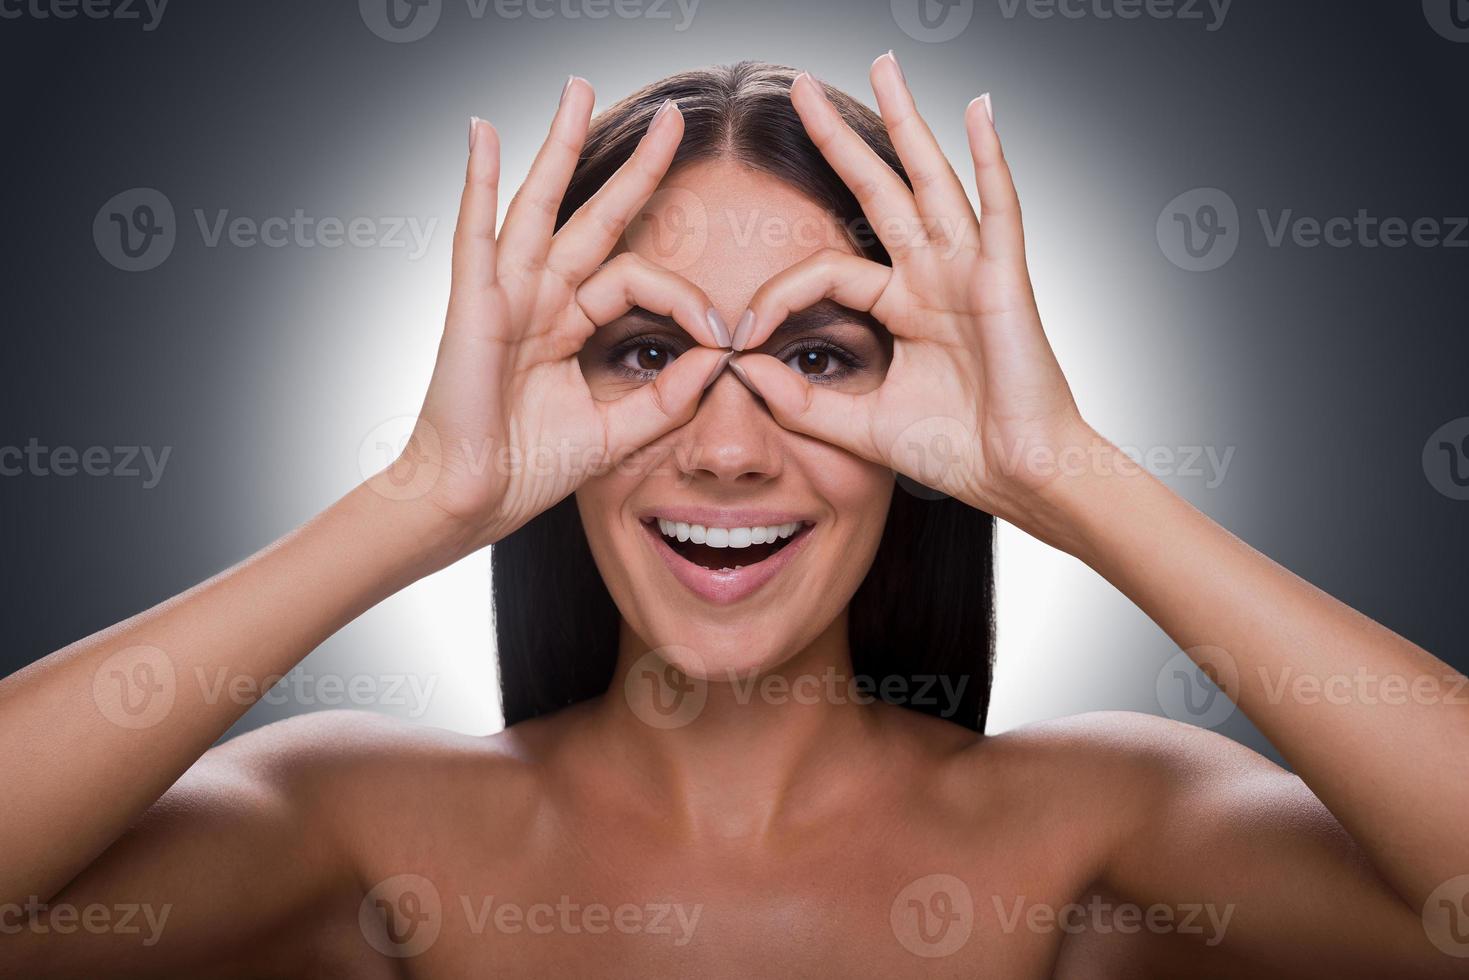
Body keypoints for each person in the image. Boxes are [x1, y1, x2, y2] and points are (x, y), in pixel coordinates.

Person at [3, 58, 1464, 977]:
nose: (721, 447)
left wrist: (1059, 470)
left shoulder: (1091, 826)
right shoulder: (369, 827)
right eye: (646, 355)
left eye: (816, 358)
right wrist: (417, 502)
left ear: (920, 418)